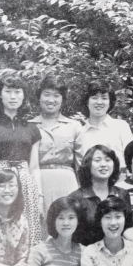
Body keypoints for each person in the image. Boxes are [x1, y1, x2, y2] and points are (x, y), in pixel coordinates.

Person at [0, 71, 43, 247]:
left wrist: (39, 196)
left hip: (25, 182)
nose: (13, 97)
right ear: (0, 95)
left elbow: (34, 167)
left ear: (24, 96)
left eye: (17, 92)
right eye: (8, 91)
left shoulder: (32, 129)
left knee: (27, 231)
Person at [30, 74, 81, 214]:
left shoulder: (74, 126)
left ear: (62, 99)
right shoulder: (29, 126)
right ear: (39, 97)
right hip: (39, 184)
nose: (51, 100)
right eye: (46, 94)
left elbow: (81, 165)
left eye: (56, 95)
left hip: (68, 184)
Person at [68, 145, 133, 246]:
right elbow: (69, 234)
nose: (103, 164)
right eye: (97, 160)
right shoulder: (76, 197)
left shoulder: (122, 194)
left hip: (115, 251)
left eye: (108, 160)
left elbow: (127, 227)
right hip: (85, 252)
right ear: (87, 165)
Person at [74, 80, 133, 172]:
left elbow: (131, 159)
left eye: (104, 98)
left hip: (120, 179)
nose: (99, 102)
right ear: (87, 101)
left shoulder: (121, 127)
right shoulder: (79, 132)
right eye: (94, 98)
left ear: (110, 102)